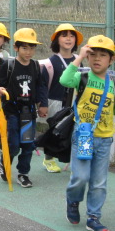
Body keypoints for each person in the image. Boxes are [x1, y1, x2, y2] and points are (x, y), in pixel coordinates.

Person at [59, 35, 115, 231]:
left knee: (99, 182)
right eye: (93, 54)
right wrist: (79, 58)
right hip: (83, 136)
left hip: (105, 140)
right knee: (80, 177)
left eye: (103, 55)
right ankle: (73, 200)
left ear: (111, 59)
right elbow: (64, 80)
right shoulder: (82, 77)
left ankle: (94, 217)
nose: (97, 59)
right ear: (87, 57)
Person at [0, 28, 48, 188]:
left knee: (28, 145)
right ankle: (5, 161)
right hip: (11, 112)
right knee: (14, 145)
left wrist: (42, 104)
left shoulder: (36, 66)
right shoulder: (8, 65)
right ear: (16, 47)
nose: (28, 52)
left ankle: (23, 174)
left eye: (32, 48)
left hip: (29, 112)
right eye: (24, 48)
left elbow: (41, 86)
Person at [40, 23, 83, 173]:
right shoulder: (50, 62)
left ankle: (72, 160)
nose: (69, 39)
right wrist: (43, 104)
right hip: (55, 102)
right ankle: (48, 159)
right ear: (57, 40)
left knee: (74, 131)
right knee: (55, 132)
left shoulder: (78, 60)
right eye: (64, 36)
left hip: (74, 103)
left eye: (72, 36)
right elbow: (43, 86)